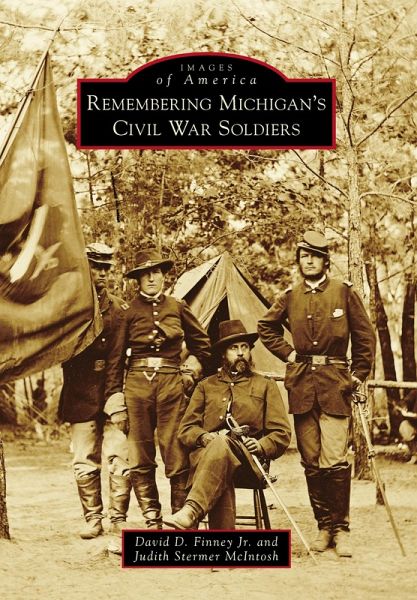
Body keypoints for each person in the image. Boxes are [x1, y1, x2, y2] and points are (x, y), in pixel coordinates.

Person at [257, 230, 376, 558]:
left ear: (325, 260)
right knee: (311, 461)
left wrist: (358, 375)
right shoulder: (290, 296)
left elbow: (365, 337)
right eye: (303, 256)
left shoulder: (343, 292)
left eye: (314, 256)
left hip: (336, 385)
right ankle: (323, 527)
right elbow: (265, 326)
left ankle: (341, 529)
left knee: (334, 460)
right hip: (302, 386)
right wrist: (289, 354)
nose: (308, 261)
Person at [105, 248, 211, 529]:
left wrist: (189, 372)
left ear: (164, 276)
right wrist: (116, 402)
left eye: (156, 272)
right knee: (140, 454)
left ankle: (179, 518)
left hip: (171, 387)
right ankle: (152, 520)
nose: (152, 278)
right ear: (138, 280)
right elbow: (115, 360)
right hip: (136, 387)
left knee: (176, 452)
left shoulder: (177, 307)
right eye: (145, 274)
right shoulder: (127, 312)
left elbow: (203, 346)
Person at [163, 319, 292, 530]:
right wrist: (205, 437)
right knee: (220, 452)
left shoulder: (265, 385)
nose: (240, 353)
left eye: (244, 347)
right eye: (234, 348)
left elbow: (281, 433)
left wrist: (261, 445)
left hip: (249, 462)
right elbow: (186, 429)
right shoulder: (205, 386)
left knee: (221, 450)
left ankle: (192, 510)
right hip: (208, 458)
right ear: (223, 353)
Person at [58, 242, 131, 540]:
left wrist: (117, 395)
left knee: (119, 456)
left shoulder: (120, 309)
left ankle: (118, 518)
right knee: (84, 458)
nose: (101, 273)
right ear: (84, 267)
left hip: (113, 391)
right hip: (80, 392)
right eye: (95, 267)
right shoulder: (67, 307)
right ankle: (93, 518)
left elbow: (120, 355)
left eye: (105, 268)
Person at [398, 389, 417, 464]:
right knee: (404, 426)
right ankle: (414, 455)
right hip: (414, 423)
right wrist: (404, 406)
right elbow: (405, 401)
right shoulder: (415, 392)